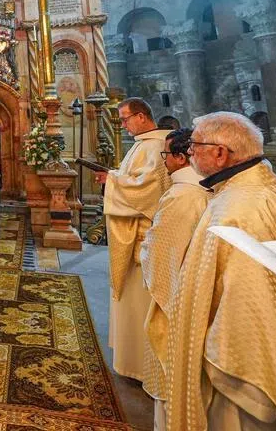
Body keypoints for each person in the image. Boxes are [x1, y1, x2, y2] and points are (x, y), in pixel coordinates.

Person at [167, 112, 276, 431]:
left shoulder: (239, 211)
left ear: (219, 153)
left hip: (242, 377)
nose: (188, 152)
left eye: (195, 145)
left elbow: (250, 311)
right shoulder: (263, 188)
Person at [96, 96, 171, 382]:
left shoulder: (154, 146)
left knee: (140, 302)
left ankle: (142, 365)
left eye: (126, 119)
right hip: (135, 234)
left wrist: (112, 181)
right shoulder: (146, 145)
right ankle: (132, 361)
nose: (123, 125)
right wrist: (113, 179)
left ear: (141, 117)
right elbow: (135, 180)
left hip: (142, 239)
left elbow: (146, 189)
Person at [139, 128, 209, 430]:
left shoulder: (183, 195)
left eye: (166, 156)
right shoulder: (203, 189)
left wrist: (144, 247)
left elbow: (161, 252)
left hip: (180, 299)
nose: (163, 161)